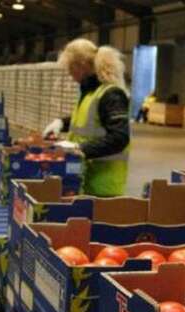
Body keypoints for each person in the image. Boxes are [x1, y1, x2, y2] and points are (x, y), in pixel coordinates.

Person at [42, 39, 131, 197]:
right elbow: (89, 121)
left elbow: (119, 138)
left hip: (103, 185)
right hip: (85, 179)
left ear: (81, 66)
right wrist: (62, 123)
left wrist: (79, 149)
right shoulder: (90, 93)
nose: (70, 75)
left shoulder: (111, 95)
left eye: (70, 69)